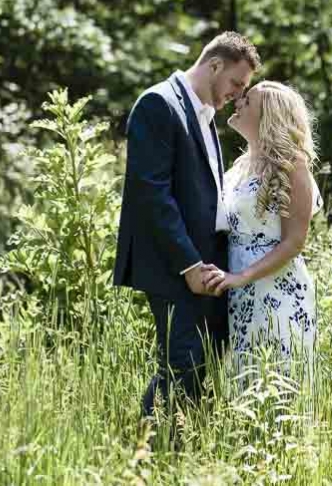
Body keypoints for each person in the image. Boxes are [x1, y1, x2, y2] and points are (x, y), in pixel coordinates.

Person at [113, 31, 259, 418]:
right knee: (182, 366)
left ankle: (169, 453)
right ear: (214, 65)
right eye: (236, 83)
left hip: (208, 265)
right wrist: (190, 265)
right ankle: (148, 459)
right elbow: (152, 195)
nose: (238, 94)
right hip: (174, 265)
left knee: (199, 367)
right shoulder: (158, 104)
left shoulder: (205, 113)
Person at [201, 81, 322, 378]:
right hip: (239, 290)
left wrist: (240, 277)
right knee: (244, 380)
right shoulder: (241, 165)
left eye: (247, 100)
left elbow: (294, 242)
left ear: (268, 114)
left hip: (275, 289)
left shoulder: (293, 164)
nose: (237, 102)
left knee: (278, 381)